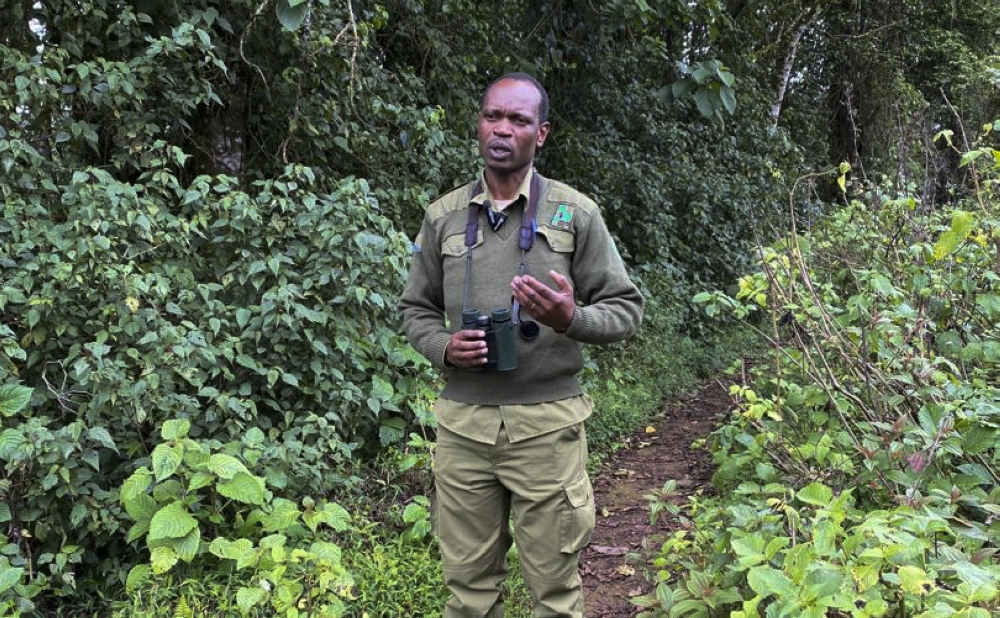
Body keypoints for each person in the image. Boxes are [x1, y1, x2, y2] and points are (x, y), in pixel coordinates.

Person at [398, 72, 643, 617]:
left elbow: (626, 310)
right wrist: (443, 347)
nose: (502, 130)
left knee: (554, 592)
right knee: (468, 590)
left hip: (547, 428)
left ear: (542, 133)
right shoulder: (443, 217)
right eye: (492, 116)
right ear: (478, 124)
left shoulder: (575, 214)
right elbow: (414, 309)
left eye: (518, 120)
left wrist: (570, 317)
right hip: (463, 428)